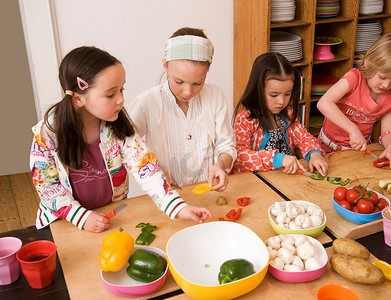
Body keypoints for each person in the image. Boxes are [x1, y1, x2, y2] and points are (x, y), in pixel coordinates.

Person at [30, 46, 212, 233]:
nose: (121, 100)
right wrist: (81, 217)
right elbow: (46, 186)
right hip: (64, 221)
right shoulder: (48, 134)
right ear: (78, 99)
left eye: (121, 90)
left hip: (108, 216)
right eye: (111, 94)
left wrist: (177, 207)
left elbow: (145, 167)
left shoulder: (118, 124)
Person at [128, 27, 236, 191]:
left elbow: (226, 144)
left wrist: (220, 165)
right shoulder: (146, 102)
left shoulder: (215, 96)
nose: (187, 92)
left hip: (208, 191)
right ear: (165, 65)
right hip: (167, 197)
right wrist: (153, 171)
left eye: (197, 83)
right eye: (179, 82)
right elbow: (127, 149)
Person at [317, 32, 391, 170]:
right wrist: (353, 129)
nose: (386, 85)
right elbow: (324, 103)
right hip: (327, 148)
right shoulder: (354, 78)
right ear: (368, 62)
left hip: (359, 152)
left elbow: (387, 131)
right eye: (382, 77)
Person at [231, 52, 328, 175]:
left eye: (287, 94)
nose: (281, 101)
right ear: (258, 90)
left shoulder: (288, 113)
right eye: (274, 95)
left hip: (285, 179)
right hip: (258, 182)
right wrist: (276, 159)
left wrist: (314, 153)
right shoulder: (245, 119)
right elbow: (239, 156)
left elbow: (303, 137)